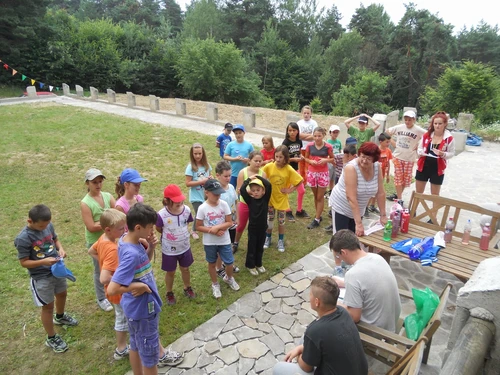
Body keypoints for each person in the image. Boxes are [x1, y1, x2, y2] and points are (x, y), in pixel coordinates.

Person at [108, 204, 182, 374]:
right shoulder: (131, 253)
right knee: (150, 355)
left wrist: (151, 247)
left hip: (134, 310)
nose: (152, 230)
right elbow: (112, 288)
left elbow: (142, 265)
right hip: (142, 311)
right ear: (138, 227)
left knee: (135, 345)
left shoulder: (127, 239)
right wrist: (139, 286)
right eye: (150, 227)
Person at [15, 204, 78, 353]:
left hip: (57, 270)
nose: (45, 228)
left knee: (62, 293)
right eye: (41, 226)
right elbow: (24, 262)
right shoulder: (23, 238)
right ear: (30, 221)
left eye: (47, 225)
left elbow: (55, 239)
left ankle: (60, 316)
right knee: (47, 307)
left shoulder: (48, 226)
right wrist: (43, 261)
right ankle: (51, 338)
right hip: (41, 277)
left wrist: (60, 249)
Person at [272, 276, 368, 375]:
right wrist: (301, 348)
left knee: (278, 368)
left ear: (317, 302)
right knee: (305, 339)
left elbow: (306, 368)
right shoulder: (343, 312)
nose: (309, 297)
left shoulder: (316, 330)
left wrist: (300, 355)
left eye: (310, 294)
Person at [328, 142, 387, 275]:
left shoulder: (377, 167)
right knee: (340, 237)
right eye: (362, 156)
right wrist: (359, 223)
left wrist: (383, 215)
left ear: (375, 160)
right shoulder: (351, 168)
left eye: (369, 158)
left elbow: (381, 193)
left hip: (358, 207)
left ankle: (350, 264)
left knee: (353, 238)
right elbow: (351, 196)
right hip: (342, 205)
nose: (364, 161)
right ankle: (338, 267)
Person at [330, 230, 401, 332]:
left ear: (344, 252)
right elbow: (369, 282)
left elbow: (354, 317)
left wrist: (334, 303)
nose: (340, 259)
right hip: (391, 320)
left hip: (377, 331)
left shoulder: (353, 274)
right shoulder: (377, 258)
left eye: (338, 256)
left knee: (329, 322)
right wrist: (344, 283)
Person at [88, 208, 130, 360]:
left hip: (115, 290)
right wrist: (123, 282)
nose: (124, 230)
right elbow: (104, 278)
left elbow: (91, 251)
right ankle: (121, 348)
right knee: (122, 318)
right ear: (108, 229)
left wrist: (102, 260)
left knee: (123, 316)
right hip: (117, 291)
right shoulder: (112, 249)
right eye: (120, 229)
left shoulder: (103, 239)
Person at [196, 179, 240, 298]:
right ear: (206, 193)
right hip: (210, 242)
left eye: (219, 193)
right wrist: (212, 231)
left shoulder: (224, 204)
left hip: (224, 240)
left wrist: (218, 227)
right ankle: (215, 284)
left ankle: (229, 278)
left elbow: (229, 222)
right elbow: (198, 226)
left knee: (229, 262)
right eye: (215, 194)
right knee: (212, 263)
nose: (218, 196)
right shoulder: (202, 208)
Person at [81, 167, 116, 312]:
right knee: (100, 269)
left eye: (100, 181)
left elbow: (117, 214)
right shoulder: (85, 203)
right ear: (87, 184)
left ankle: (113, 290)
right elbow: (90, 226)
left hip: (111, 239)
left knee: (112, 266)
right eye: (94, 182)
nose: (98, 185)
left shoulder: (108, 196)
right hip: (97, 242)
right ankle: (101, 298)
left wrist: (103, 223)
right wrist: (109, 223)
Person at [156, 185, 196, 306]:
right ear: (167, 201)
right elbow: (158, 228)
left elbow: (187, 222)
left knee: (185, 268)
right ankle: (169, 292)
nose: (180, 203)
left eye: (181, 200)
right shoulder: (162, 215)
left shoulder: (186, 210)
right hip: (169, 249)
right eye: (176, 201)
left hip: (184, 246)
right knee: (171, 272)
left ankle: (187, 287)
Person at [262, 145, 303, 252]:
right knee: (269, 220)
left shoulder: (289, 169)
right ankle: (268, 238)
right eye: (276, 156)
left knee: (281, 222)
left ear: (285, 158)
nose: (278, 159)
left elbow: (299, 181)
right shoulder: (269, 166)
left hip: (281, 200)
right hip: (270, 199)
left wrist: (290, 190)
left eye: (281, 157)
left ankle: (280, 240)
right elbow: (261, 177)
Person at [385, 110, 426, 201]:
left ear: (414, 119)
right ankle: (399, 199)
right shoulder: (399, 127)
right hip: (398, 156)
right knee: (398, 177)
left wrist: (419, 144)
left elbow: (428, 136)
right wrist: (393, 143)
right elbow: (387, 132)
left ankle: (398, 195)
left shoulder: (418, 130)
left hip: (410, 158)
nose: (407, 122)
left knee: (405, 179)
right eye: (406, 119)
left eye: (410, 120)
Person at [416, 111, 456, 196]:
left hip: (437, 168)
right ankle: (414, 209)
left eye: (440, 123)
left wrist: (443, 154)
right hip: (423, 165)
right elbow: (420, 147)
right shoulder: (427, 135)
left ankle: (434, 209)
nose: (437, 126)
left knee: (435, 194)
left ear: (445, 124)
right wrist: (420, 152)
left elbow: (452, 153)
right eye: (435, 123)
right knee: (419, 193)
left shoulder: (449, 138)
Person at [234, 151, 267, 253]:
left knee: (256, 226)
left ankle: (255, 245)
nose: (258, 163)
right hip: (244, 203)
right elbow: (238, 189)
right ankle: (235, 242)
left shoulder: (263, 174)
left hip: (257, 205)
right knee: (240, 225)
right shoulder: (243, 172)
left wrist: (259, 194)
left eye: (260, 161)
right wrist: (249, 192)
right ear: (249, 161)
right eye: (255, 161)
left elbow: (265, 190)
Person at [239, 175, 272, 275]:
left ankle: (259, 264)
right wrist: (249, 179)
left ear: (263, 191)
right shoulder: (250, 200)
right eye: (253, 190)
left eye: (258, 190)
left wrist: (258, 177)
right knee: (252, 246)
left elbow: (268, 185)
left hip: (262, 228)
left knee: (260, 246)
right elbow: (242, 189)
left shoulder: (265, 199)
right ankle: (250, 265)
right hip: (253, 228)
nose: (256, 192)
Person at [304, 127, 334, 229]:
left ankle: (316, 219)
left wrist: (325, 160)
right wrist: (310, 161)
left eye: (319, 136)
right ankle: (318, 215)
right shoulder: (309, 146)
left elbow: (333, 159)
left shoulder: (328, 147)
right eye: (315, 136)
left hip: (323, 174)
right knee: (315, 196)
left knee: (320, 197)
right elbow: (306, 158)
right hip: (312, 173)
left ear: (323, 135)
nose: (317, 138)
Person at [215, 161, 240, 277]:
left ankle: (228, 263)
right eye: (225, 176)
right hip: (222, 224)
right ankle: (218, 267)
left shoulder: (231, 187)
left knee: (229, 245)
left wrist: (238, 217)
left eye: (230, 175)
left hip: (233, 222)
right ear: (218, 175)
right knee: (221, 246)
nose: (228, 178)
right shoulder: (216, 192)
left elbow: (236, 202)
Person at [325, 144, 357, 233]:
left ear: (354, 156)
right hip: (339, 179)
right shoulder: (340, 157)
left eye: (348, 156)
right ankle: (334, 223)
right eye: (344, 155)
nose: (345, 157)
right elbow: (332, 158)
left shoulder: (356, 162)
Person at [282, 122, 309, 221]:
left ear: (297, 131)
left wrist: (300, 156)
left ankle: (299, 210)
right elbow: (282, 159)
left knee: (302, 190)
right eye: (290, 130)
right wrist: (293, 159)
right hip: (286, 170)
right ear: (287, 131)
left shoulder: (299, 141)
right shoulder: (285, 143)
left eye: (294, 130)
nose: (292, 132)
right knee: (285, 191)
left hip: (295, 170)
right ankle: (287, 210)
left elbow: (298, 153)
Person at [185, 143, 212, 240]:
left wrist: (210, 178)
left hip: (205, 194)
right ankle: (194, 230)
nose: (197, 156)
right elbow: (188, 183)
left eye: (199, 153)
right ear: (192, 154)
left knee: (204, 212)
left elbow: (210, 176)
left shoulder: (207, 166)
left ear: (203, 153)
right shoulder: (190, 167)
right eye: (195, 154)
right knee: (199, 213)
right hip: (195, 196)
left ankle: (203, 227)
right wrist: (201, 181)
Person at [297, 106, 318, 190]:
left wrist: (303, 136)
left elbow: (314, 136)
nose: (306, 115)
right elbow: (298, 135)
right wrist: (308, 136)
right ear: (302, 113)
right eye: (304, 113)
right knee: (301, 165)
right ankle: (302, 182)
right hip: (301, 147)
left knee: (308, 166)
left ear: (311, 114)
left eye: (308, 113)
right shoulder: (299, 123)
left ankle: (309, 181)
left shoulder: (314, 123)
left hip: (310, 147)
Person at [326, 125, 342, 197]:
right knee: (328, 176)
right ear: (330, 133)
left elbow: (339, 151)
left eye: (337, 132)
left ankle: (331, 190)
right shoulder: (328, 142)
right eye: (334, 132)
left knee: (334, 177)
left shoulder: (339, 142)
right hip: (330, 161)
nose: (335, 134)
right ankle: (325, 189)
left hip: (337, 161)